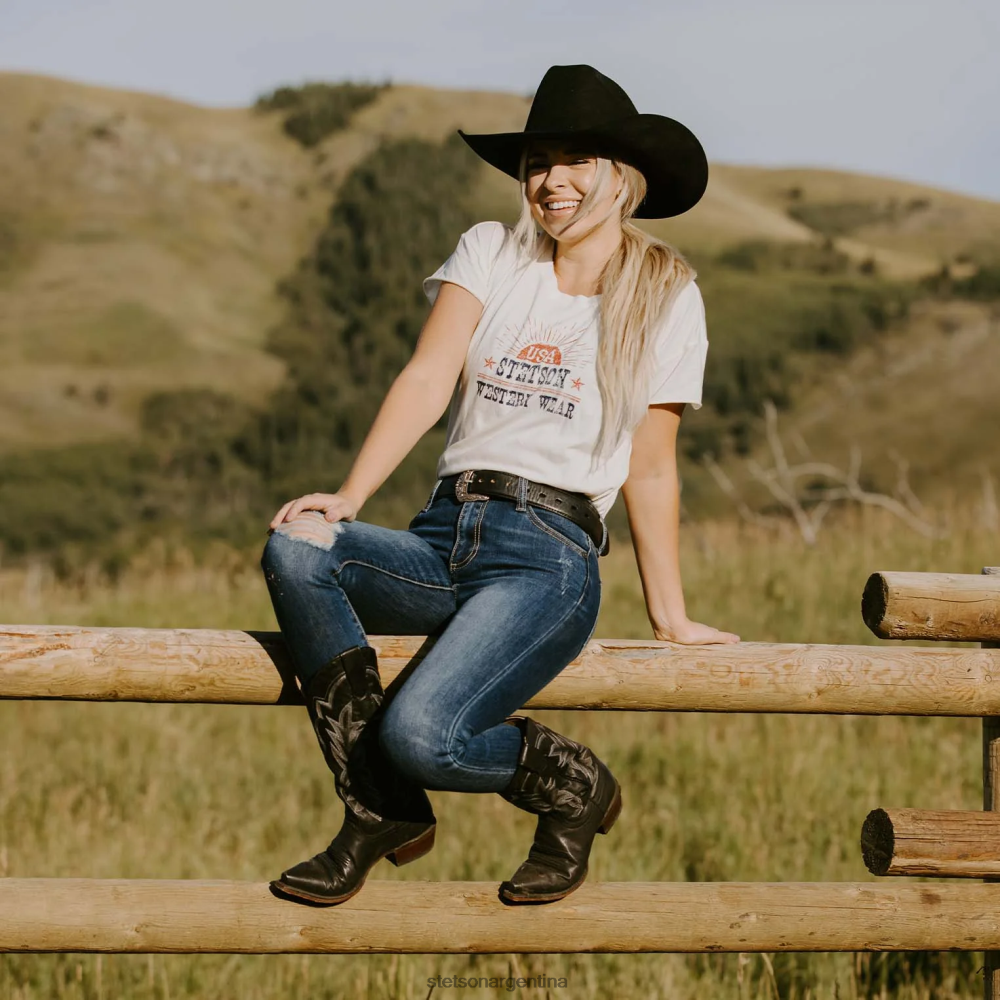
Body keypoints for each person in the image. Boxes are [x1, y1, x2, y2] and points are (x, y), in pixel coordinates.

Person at [259, 63, 739, 909]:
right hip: (442, 535)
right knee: (299, 547)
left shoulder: (667, 293)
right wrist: (350, 497)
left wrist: (668, 614)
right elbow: (426, 375)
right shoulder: (492, 250)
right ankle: (378, 806)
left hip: (545, 562)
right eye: (537, 162)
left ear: (620, 176)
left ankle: (571, 787)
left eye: (573, 160)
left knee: (425, 736)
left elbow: (652, 464)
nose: (550, 180)